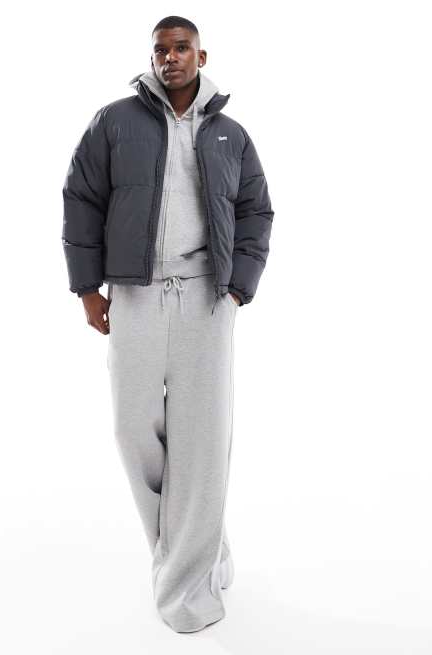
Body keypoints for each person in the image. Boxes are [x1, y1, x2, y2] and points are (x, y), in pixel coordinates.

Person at [62, 15, 275, 633]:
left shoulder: (231, 134)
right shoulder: (114, 122)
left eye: (182, 48)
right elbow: (81, 199)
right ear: (152, 57)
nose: (171, 58)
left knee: (201, 441)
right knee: (133, 429)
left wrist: (239, 285)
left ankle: (186, 591)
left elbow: (256, 209)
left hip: (207, 297)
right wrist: (87, 289)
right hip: (135, 294)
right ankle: (201, 544)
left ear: (201, 56)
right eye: (161, 49)